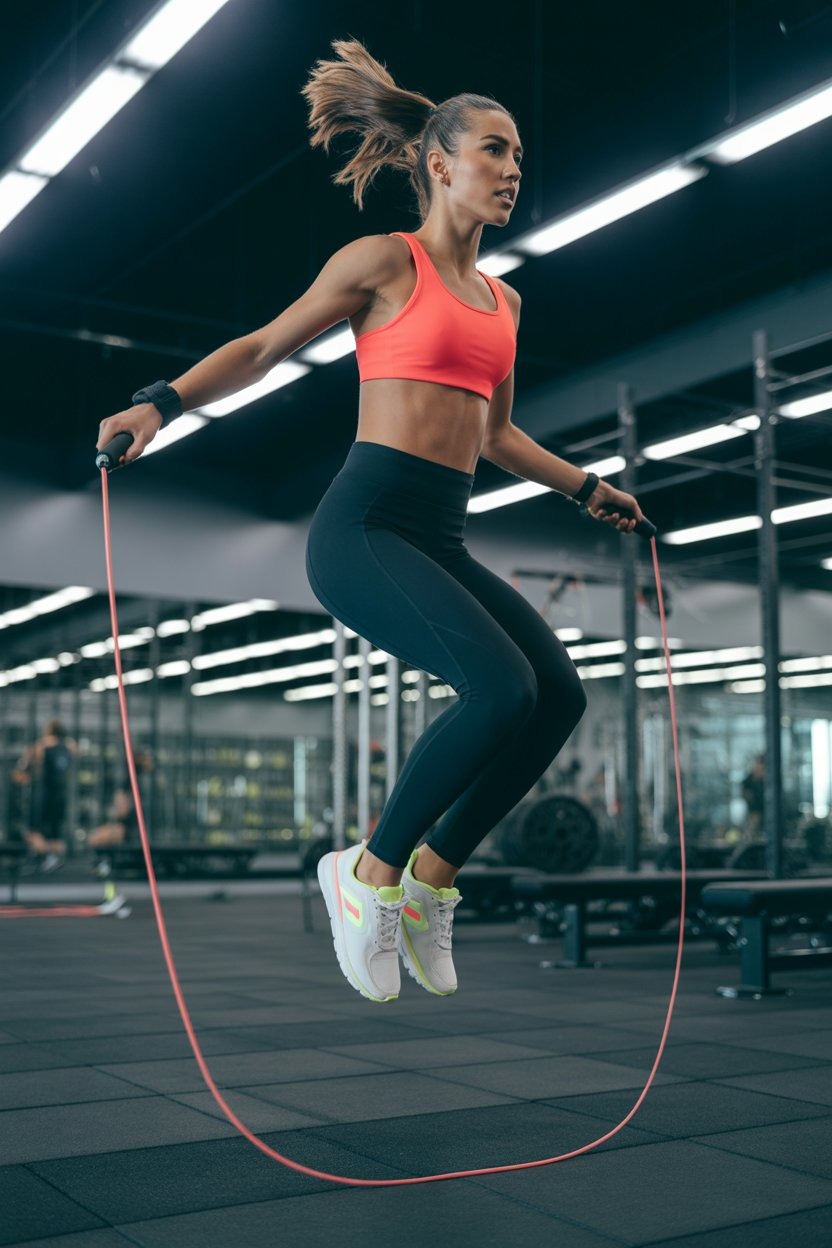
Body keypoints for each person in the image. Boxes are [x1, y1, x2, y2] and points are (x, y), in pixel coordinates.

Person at [96, 39, 645, 1004]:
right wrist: (160, 401)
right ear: (439, 163)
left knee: (554, 695)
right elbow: (264, 345)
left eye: (518, 155)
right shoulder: (386, 263)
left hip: (438, 531)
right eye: (494, 150)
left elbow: (498, 435)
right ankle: (369, 873)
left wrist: (587, 487)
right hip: (362, 526)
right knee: (497, 688)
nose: (513, 169)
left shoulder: (505, 300)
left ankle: (430, 883)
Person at [16, 720, 77, 871]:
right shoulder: (69, 747)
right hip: (60, 795)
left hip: (42, 794)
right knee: (55, 831)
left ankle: (49, 857)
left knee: (30, 829)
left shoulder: (40, 746)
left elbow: (22, 768)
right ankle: (53, 860)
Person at [87, 749, 153, 851]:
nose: (150, 762)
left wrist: (114, 811)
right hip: (132, 827)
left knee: (93, 839)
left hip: (128, 828)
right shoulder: (139, 780)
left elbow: (122, 811)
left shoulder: (131, 781)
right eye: (147, 759)